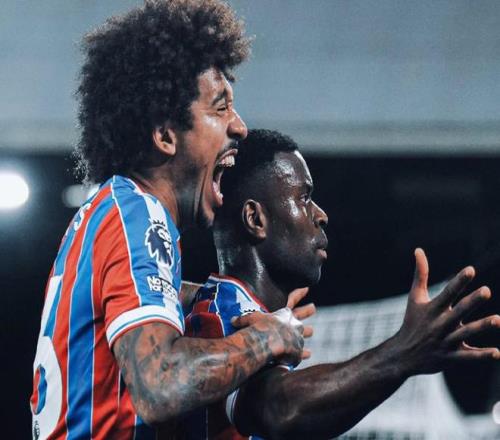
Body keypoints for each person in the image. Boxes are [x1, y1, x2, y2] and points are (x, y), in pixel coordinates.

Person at [29, 3, 306, 439]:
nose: (240, 127)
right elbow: (161, 383)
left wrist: (228, 301)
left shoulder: (106, 212)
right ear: (164, 135)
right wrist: (269, 338)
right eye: (220, 108)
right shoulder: (138, 215)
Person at [185, 128, 500, 439]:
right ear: (255, 219)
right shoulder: (221, 316)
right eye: (304, 198)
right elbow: (280, 410)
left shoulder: (247, 315)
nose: (320, 215)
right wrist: (405, 350)